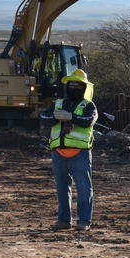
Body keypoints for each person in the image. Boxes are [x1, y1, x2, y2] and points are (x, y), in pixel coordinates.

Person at [41, 69, 98, 232]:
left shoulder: (89, 106)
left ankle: (84, 221)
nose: (74, 87)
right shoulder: (57, 103)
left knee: (84, 188)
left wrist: (70, 116)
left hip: (80, 153)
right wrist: (55, 117)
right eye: (71, 84)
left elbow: (88, 121)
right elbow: (44, 118)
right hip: (58, 153)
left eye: (78, 84)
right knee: (62, 188)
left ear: (84, 87)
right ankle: (64, 220)